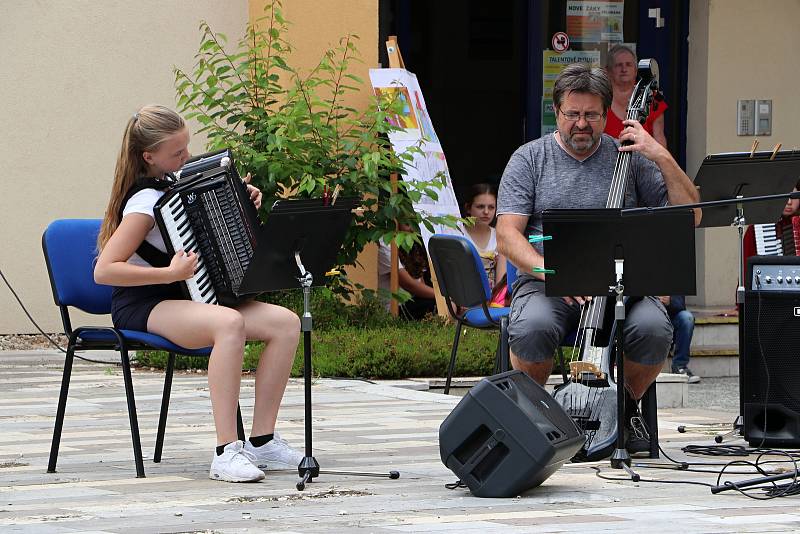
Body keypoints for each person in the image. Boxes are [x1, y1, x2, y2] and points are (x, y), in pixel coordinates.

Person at [496, 64, 700, 452]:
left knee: (654, 330)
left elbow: (691, 217)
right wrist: (550, 271)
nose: (581, 124)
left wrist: (661, 156)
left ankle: (621, 410)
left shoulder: (631, 157)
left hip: (623, 287)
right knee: (533, 327)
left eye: (591, 115)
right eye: (572, 114)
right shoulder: (530, 159)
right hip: (549, 284)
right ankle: (538, 421)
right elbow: (507, 234)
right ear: (556, 112)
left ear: (607, 113)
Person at [94, 105, 303, 483]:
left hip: (188, 296)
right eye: (177, 154)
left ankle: (262, 440)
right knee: (229, 323)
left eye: (186, 148)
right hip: (144, 304)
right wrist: (168, 272)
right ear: (149, 156)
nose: (186, 158)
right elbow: (104, 270)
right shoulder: (143, 204)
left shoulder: (178, 185)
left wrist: (243, 197)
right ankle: (226, 451)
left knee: (286, 324)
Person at [604, 44, 668, 148]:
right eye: (619, 65)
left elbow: (659, 139)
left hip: (643, 161)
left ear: (636, 70)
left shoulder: (652, 98)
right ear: (608, 71)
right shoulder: (600, 99)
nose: (624, 69)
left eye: (628, 64)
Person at [377, 225, 437, 319]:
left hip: (415, 300)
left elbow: (420, 279)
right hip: (398, 306)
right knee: (440, 305)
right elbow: (408, 284)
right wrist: (441, 297)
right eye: (407, 222)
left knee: (445, 305)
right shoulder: (385, 241)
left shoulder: (412, 240)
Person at [460, 183, 507, 290]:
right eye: (480, 207)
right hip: (462, 300)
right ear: (468, 208)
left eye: (491, 207)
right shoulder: (457, 235)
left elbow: (500, 284)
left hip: (492, 302)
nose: (486, 212)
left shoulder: (500, 236)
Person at [659, 296, 699, 383]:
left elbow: (681, 304)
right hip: (649, 316)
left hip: (671, 317)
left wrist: (670, 301)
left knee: (687, 318)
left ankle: (680, 366)